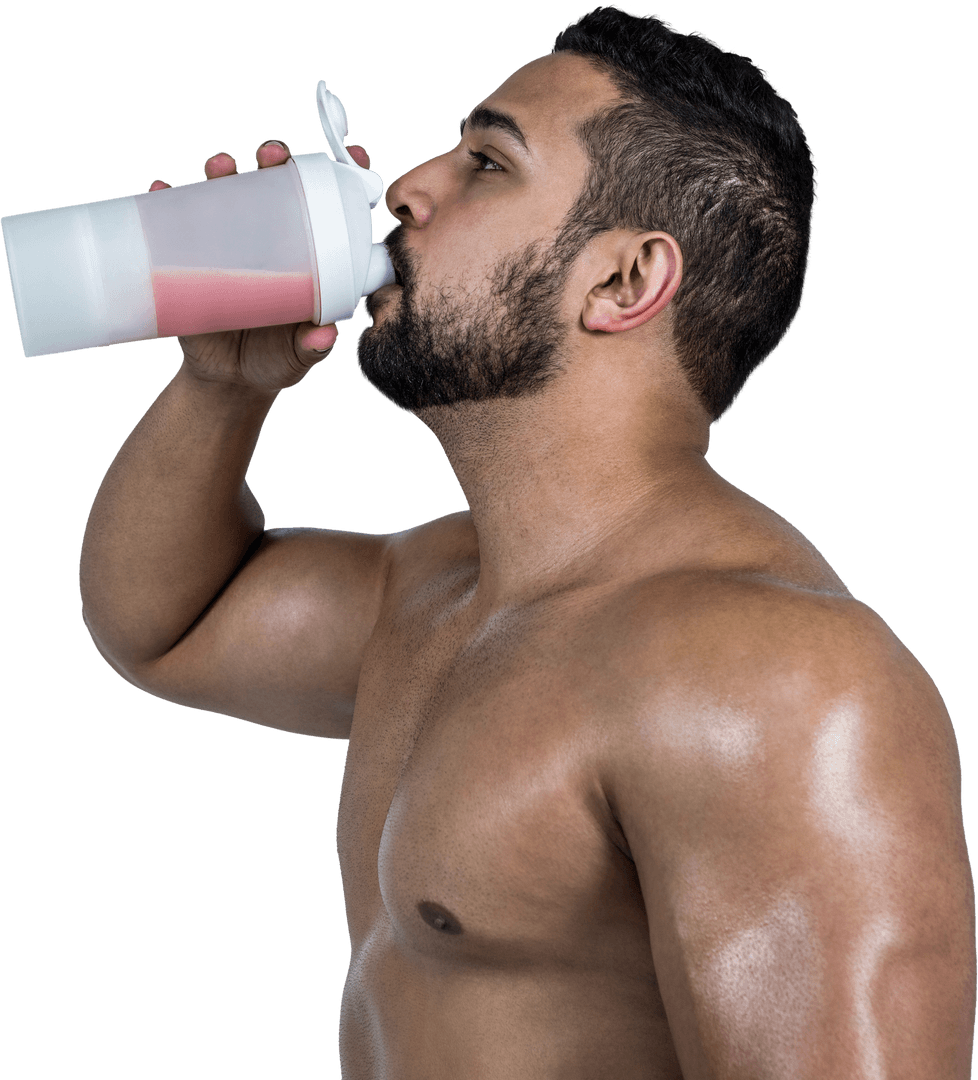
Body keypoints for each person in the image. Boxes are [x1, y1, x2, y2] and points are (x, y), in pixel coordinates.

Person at [78, 6, 976, 1077]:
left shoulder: (779, 681)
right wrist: (221, 388)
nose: (408, 186)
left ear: (624, 281)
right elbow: (168, 624)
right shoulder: (434, 591)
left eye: (486, 163)